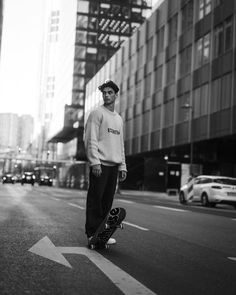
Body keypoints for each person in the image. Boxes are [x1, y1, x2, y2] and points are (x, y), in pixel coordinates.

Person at [84, 80, 127, 245]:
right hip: (100, 165)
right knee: (95, 201)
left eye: (110, 92)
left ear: (116, 95)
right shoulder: (97, 113)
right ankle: (91, 233)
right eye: (104, 93)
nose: (107, 95)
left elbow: (120, 144)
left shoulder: (119, 119)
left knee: (107, 203)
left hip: (114, 167)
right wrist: (95, 162)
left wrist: (122, 165)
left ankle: (101, 234)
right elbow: (90, 139)